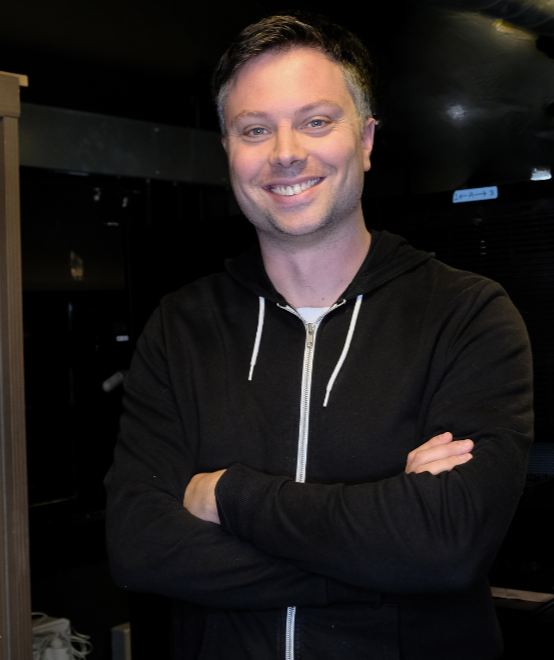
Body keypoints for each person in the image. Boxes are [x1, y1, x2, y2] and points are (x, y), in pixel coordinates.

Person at [105, 13, 533, 660]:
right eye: (255, 130)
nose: (284, 153)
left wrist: (227, 494)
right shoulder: (181, 327)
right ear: (229, 151)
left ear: (364, 140)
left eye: (315, 121)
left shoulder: (466, 316)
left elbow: (445, 548)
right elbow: (140, 547)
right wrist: (380, 559)